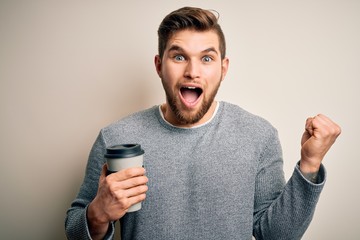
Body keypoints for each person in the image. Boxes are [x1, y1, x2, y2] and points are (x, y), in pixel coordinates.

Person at [65, 6, 341, 240]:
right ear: (159, 65)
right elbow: (74, 228)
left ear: (223, 68)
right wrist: (98, 214)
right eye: (179, 56)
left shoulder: (258, 135)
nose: (192, 72)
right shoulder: (116, 138)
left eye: (207, 58)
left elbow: (276, 234)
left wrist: (310, 165)